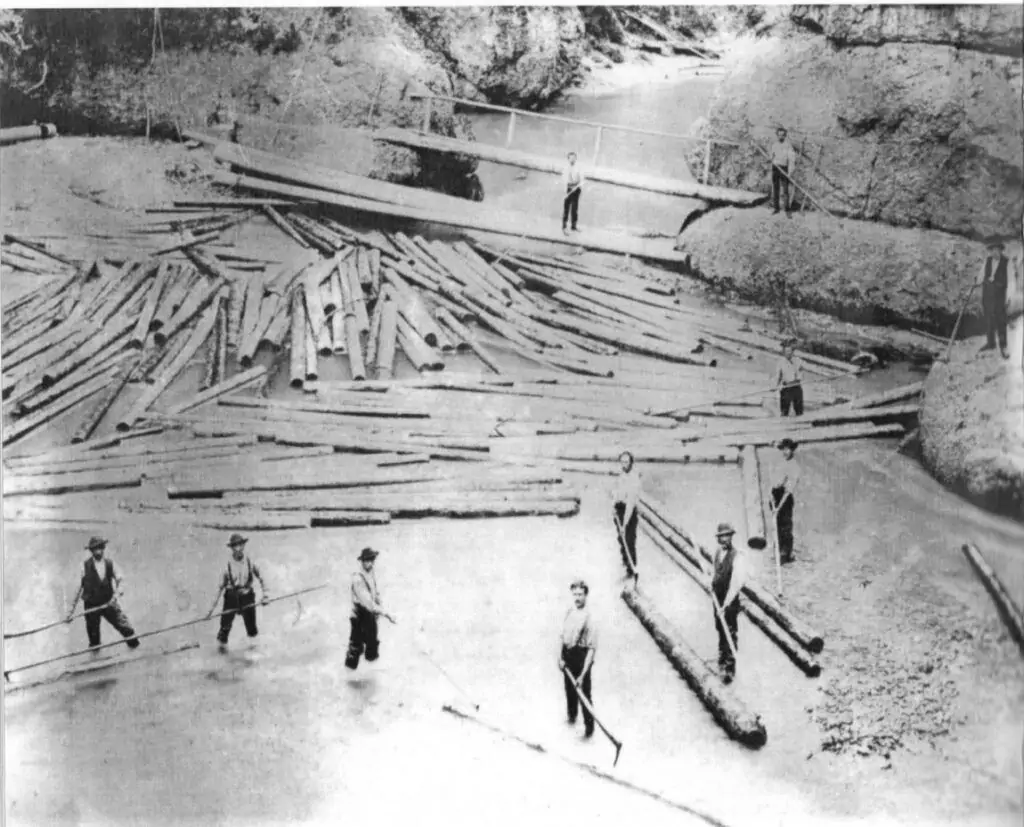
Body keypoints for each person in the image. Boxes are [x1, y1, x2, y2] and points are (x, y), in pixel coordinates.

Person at [65, 536, 140, 652]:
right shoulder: (84, 566)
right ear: (91, 551)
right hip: (91, 605)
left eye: (100, 548)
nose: (98, 551)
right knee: (94, 638)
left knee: (127, 629)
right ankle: (95, 661)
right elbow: (76, 590)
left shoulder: (110, 563)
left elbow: (121, 580)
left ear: (103, 548)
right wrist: (69, 613)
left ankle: (136, 650)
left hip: (108, 603)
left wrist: (116, 596)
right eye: (95, 549)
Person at [207, 533, 269, 651]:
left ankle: (254, 654)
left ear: (244, 546)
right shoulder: (227, 566)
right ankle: (221, 654)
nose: (239, 549)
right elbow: (219, 589)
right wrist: (210, 610)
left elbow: (263, 577)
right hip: (231, 597)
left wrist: (266, 595)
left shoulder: (250, 561)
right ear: (231, 548)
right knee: (224, 628)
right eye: (235, 546)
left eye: (241, 545)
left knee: (252, 628)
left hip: (247, 596)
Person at [558, 579, 597, 738]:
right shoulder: (569, 612)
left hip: (581, 659)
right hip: (567, 656)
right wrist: (560, 657)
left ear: (586, 595)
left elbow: (591, 650)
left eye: (580, 594)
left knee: (585, 694)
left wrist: (582, 675)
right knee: (569, 690)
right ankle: (572, 717)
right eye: (575, 594)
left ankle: (589, 729)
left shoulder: (590, 618)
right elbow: (562, 637)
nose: (577, 598)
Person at [346, 547, 395, 670]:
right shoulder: (357, 578)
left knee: (372, 644)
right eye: (368, 560)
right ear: (362, 561)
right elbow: (367, 602)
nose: (371, 563)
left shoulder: (371, 571)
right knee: (356, 647)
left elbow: (374, 591)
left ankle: (373, 675)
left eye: (372, 560)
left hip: (370, 614)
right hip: (359, 614)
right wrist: (386, 613)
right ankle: (350, 673)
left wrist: (379, 601)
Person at [710, 523, 745, 684]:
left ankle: (729, 668)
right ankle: (722, 656)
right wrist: (711, 583)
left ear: (731, 537)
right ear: (718, 538)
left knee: (729, 630)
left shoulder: (737, 556)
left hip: (729, 601)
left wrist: (726, 604)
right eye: (722, 536)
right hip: (716, 598)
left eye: (728, 536)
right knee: (719, 627)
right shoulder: (717, 553)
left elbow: (736, 583)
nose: (725, 539)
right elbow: (715, 572)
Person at [978, 238, 1011, 359]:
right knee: (988, 319)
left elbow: (1011, 280)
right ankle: (990, 343)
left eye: (997, 250)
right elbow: (981, 275)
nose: (994, 252)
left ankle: (1003, 346)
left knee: (1001, 320)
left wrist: (1009, 297)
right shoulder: (987, 261)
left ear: (1001, 250)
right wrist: (976, 283)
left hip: (999, 295)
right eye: (992, 250)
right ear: (990, 251)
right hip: (987, 294)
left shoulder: (1007, 262)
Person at [771, 439, 801, 564]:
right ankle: (778, 551)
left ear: (792, 450)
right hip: (775, 495)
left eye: (788, 449)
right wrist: (771, 497)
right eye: (783, 449)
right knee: (777, 525)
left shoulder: (795, 467)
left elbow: (788, 490)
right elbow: (773, 481)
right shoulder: (779, 463)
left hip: (785, 498)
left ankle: (786, 554)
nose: (785, 452)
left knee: (785, 526)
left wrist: (779, 507)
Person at [612, 451, 641, 580]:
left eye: (627, 462)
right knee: (621, 540)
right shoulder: (621, 476)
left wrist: (625, 523)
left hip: (629, 513)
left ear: (631, 463)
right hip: (619, 510)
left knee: (629, 541)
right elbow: (616, 492)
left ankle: (632, 570)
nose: (624, 464)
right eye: (622, 462)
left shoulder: (634, 479)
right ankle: (625, 565)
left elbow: (630, 504)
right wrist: (613, 505)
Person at [769, 127, 796, 216]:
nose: (781, 136)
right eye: (779, 135)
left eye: (782, 135)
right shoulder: (774, 145)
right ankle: (776, 208)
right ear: (777, 135)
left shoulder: (788, 145)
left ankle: (787, 210)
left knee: (785, 190)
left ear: (785, 136)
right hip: (775, 168)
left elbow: (791, 159)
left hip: (784, 168)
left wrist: (790, 172)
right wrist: (772, 162)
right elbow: (771, 157)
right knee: (775, 189)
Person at [775, 338, 804, 417]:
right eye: (786, 352)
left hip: (796, 387)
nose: (788, 354)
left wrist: (795, 381)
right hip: (786, 388)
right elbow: (778, 376)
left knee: (799, 411)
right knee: (784, 411)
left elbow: (799, 376)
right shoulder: (780, 362)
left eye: (789, 352)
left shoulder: (798, 361)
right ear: (783, 353)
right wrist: (775, 385)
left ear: (792, 352)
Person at [562, 151, 584, 234]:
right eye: (571, 158)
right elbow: (564, 180)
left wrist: (578, 187)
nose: (572, 159)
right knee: (566, 209)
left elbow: (582, 179)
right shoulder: (566, 168)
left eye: (574, 158)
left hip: (576, 190)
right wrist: (566, 190)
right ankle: (564, 227)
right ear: (568, 159)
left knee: (574, 209)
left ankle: (574, 226)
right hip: (568, 189)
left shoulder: (578, 168)